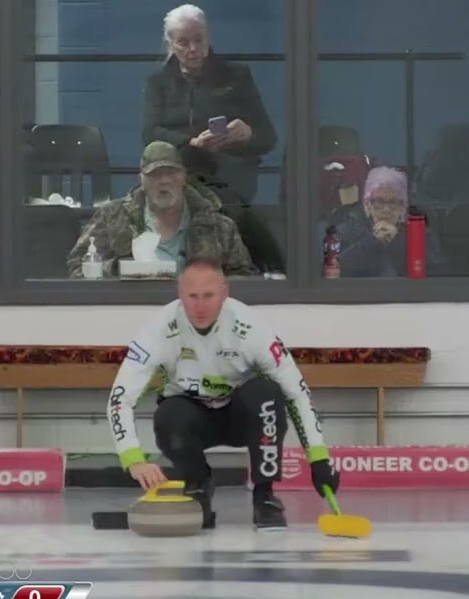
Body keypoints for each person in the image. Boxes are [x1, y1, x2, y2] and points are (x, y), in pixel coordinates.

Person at [105, 256, 341, 530]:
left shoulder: (251, 328)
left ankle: (265, 495)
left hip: (242, 417)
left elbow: (297, 393)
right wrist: (133, 459)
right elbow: (120, 398)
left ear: (225, 293)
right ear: (180, 294)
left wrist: (319, 457)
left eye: (208, 295)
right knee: (169, 416)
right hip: (192, 417)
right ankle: (198, 486)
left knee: (266, 394)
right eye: (192, 296)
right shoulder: (158, 329)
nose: (200, 306)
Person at [141, 4, 277, 207]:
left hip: (230, 173)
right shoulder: (158, 83)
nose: (193, 49)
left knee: (224, 201)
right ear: (171, 44)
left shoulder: (236, 76)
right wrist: (192, 141)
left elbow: (268, 137)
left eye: (198, 40)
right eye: (183, 42)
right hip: (183, 170)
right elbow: (150, 133)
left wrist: (247, 134)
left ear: (208, 38)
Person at [65, 141, 257, 278]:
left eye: (171, 173)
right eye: (155, 174)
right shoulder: (111, 217)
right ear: (142, 180)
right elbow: (76, 268)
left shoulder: (217, 225)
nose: (164, 181)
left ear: (183, 177)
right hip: (131, 312)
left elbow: (244, 277)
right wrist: (116, 268)